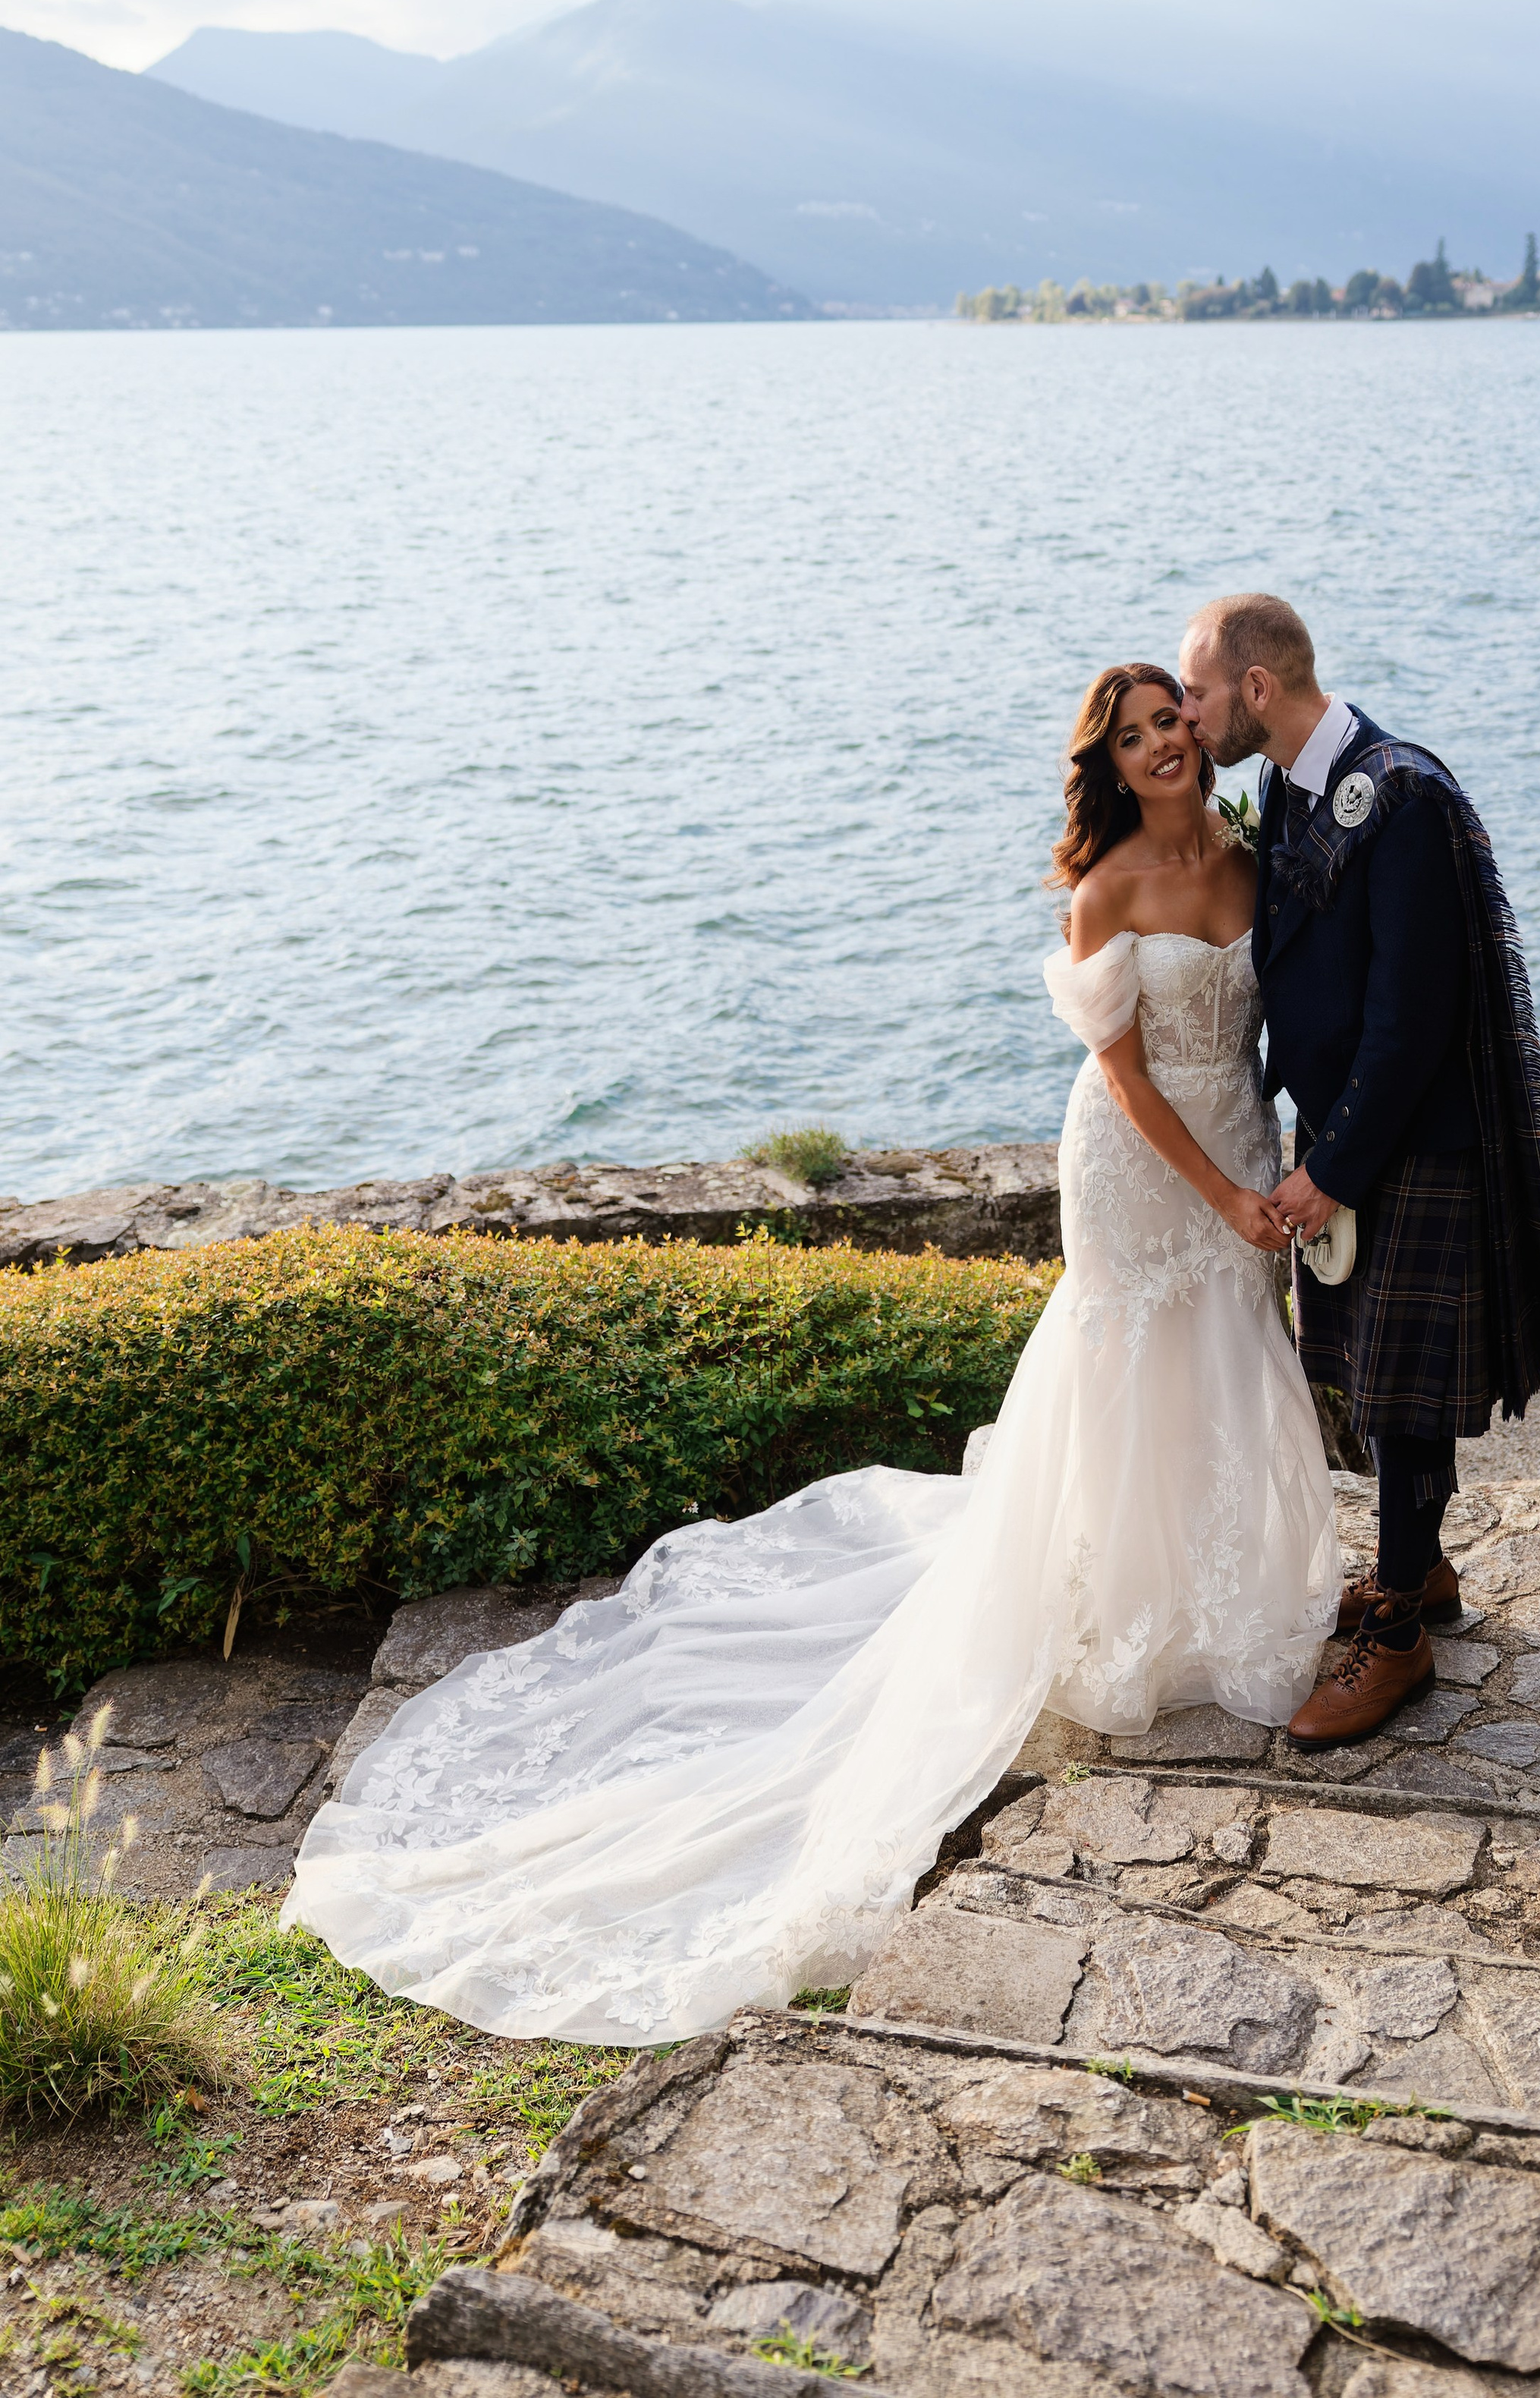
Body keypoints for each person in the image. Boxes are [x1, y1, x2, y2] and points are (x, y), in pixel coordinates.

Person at [281, 662, 1340, 2043]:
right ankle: (1117, 1617)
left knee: (1227, 1359)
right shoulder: (1112, 889)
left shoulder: (1254, 859)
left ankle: (1216, 1597)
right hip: (1146, 1170)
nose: (1161, 752)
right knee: (1130, 1366)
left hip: (1246, 1152)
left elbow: (1283, 1026)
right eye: (1134, 739)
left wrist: (1285, 1170)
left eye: (1172, 728)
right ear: (1110, 762)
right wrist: (1220, 1193)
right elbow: (1129, 1082)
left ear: (1203, 732)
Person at [1177, 593, 1540, 1745]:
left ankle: (1399, 1640)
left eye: (1200, 693)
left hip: (1414, 1141)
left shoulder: (1400, 793)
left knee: (1402, 1397)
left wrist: (1336, 1166)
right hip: (1351, 1138)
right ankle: (1421, 1574)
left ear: (1256, 690)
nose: (1189, 714)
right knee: (1364, 1371)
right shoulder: (1285, 783)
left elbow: (1414, 1020)